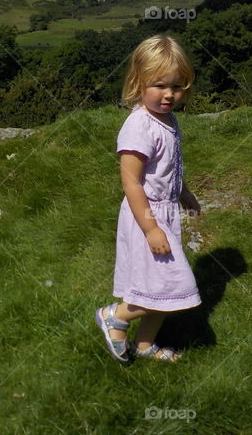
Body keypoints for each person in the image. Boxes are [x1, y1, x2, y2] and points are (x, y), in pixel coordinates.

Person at [95, 34, 202, 362]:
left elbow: (168, 167)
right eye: (159, 85)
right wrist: (151, 228)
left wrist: (183, 193)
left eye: (177, 86)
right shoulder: (139, 126)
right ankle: (115, 316)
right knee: (168, 285)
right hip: (147, 216)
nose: (169, 94)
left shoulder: (168, 119)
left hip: (165, 211)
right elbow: (131, 183)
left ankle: (144, 345)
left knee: (164, 288)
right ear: (137, 82)